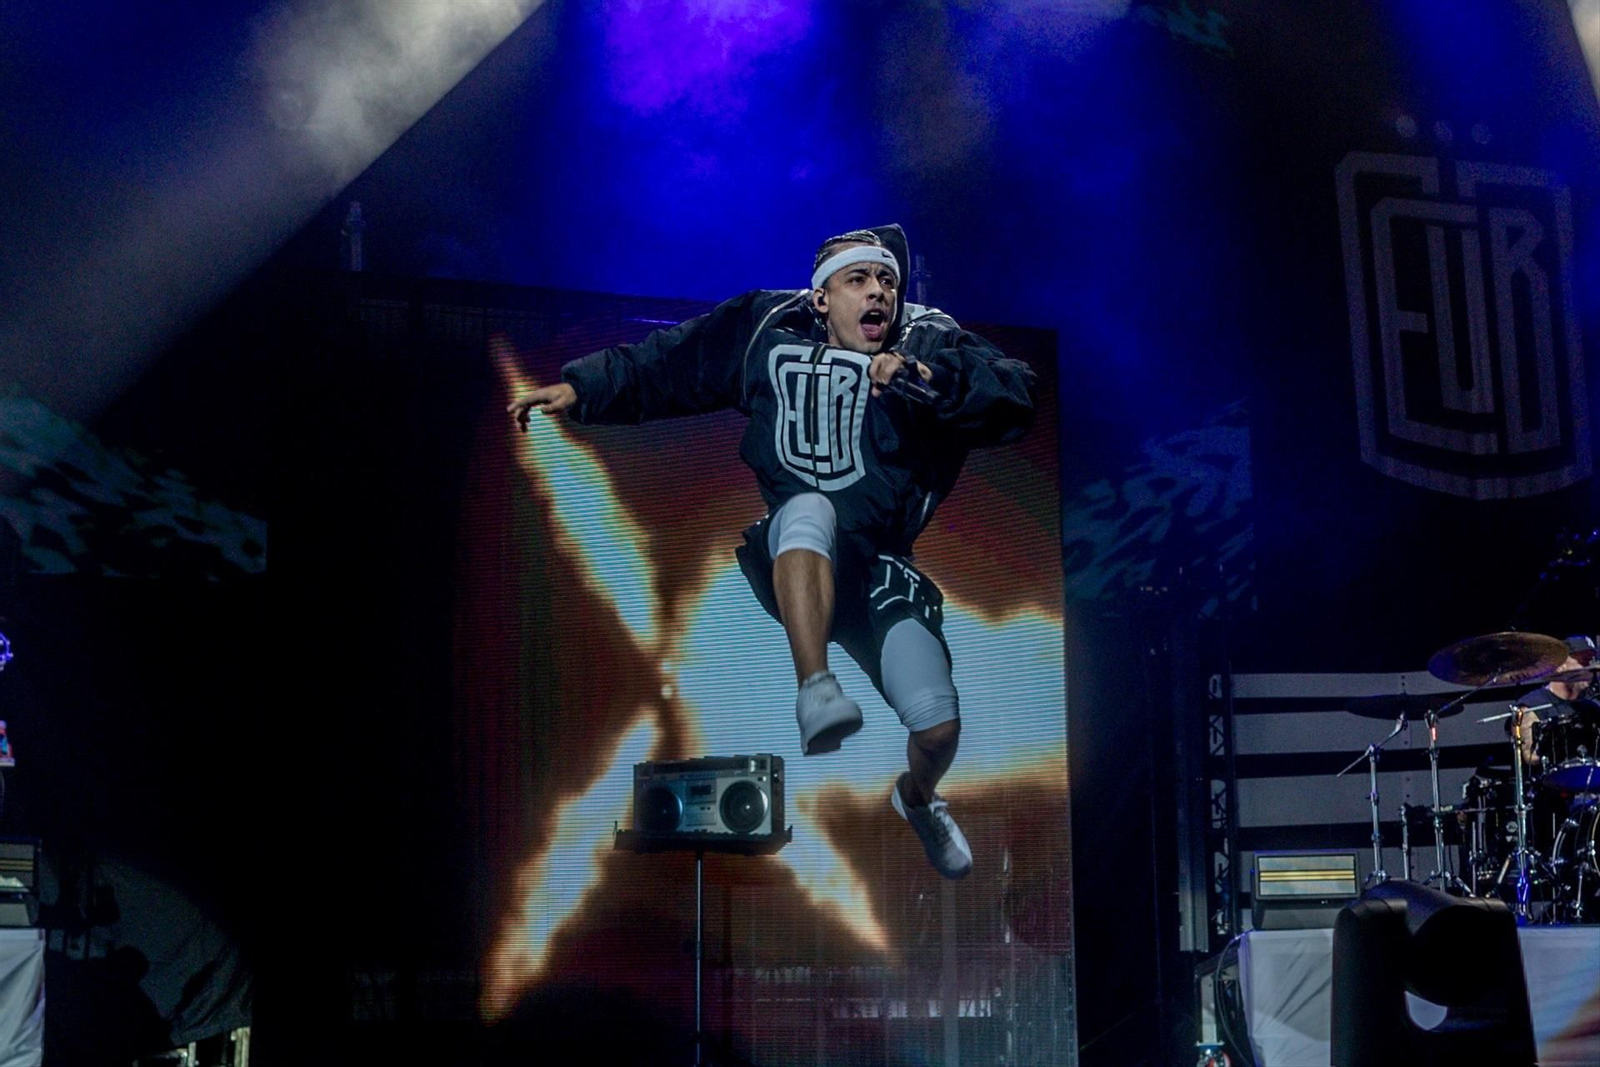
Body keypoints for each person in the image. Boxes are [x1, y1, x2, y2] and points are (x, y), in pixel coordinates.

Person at [507, 226, 1036, 878]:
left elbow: (1015, 393)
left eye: (888, 281)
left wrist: (928, 380)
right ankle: (815, 687)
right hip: (799, 555)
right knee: (807, 508)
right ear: (821, 300)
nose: (878, 293)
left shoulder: (927, 338)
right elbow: (672, 361)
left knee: (937, 723)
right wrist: (583, 389)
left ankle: (919, 797)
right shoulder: (766, 328)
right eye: (860, 281)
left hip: (880, 573)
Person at [1513, 634, 1598, 774]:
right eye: (1584, 662)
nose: (1590, 668)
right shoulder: (1532, 705)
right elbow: (1530, 756)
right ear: (1560, 665)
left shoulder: (1592, 707)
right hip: (1551, 788)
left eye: (1591, 661)